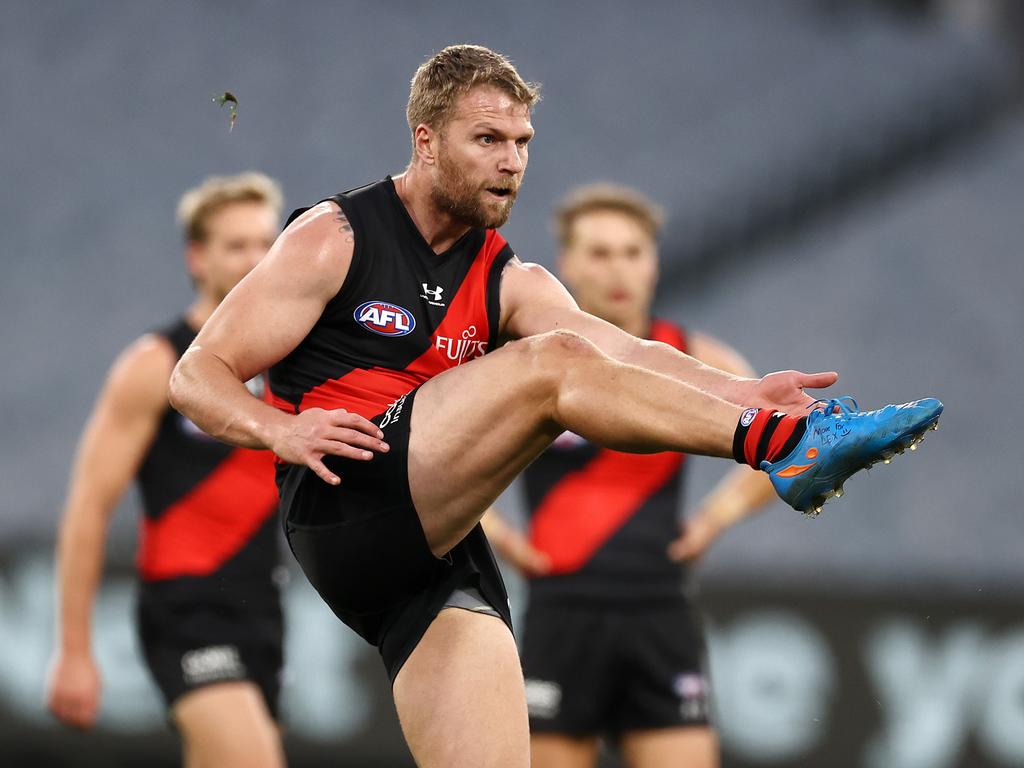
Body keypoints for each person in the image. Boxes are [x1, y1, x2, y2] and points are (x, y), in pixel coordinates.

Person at [167, 45, 942, 768]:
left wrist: (742, 388)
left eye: (524, 142)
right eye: (489, 140)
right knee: (551, 366)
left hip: (429, 558)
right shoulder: (335, 236)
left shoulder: (509, 276)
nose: (512, 163)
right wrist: (280, 428)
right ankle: (785, 446)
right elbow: (197, 376)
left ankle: (773, 428)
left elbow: (627, 353)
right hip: (346, 495)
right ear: (426, 140)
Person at [481, 183, 779, 768]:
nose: (618, 270)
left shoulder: (695, 359)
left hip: (659, 611)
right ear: (565, 263)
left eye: (632, 252)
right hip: (560, 612)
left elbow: (786, 444)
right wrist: (494, 533)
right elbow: (433, 442)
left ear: (653, 262)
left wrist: (714, 520)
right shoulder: (527, 356)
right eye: (599, 253)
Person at [47, 173, 288, 768]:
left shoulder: (295, 364)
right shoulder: (155, 365)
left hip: (263, 612)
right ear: (197, 258)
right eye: (236, 245)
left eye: (266, 242)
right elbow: (88, 506)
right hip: (185, 608)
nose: (255, 259)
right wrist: (74, 651)